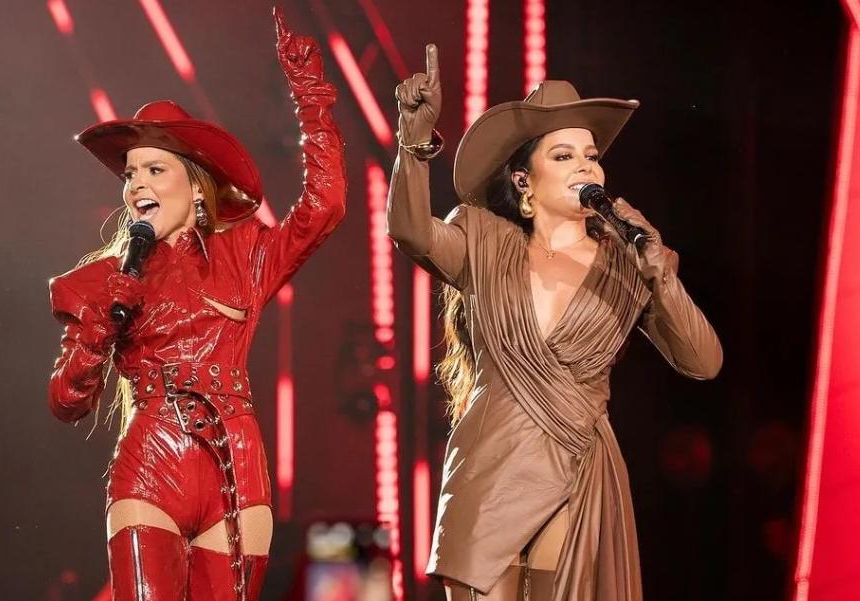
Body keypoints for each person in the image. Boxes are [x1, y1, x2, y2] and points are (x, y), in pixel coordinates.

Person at [387, 44, 722, 600]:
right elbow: (410, 232)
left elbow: (703, 363)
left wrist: (661, 277)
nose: (586, 166)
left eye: (591, 155)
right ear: (524, 180)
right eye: (564, 155)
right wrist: (413, 143)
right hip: (490, 466)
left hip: (577, 467)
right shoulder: (482, 238)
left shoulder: (629, 265)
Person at [46, 9, 346, 599]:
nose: (137, 184)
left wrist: (311, 98)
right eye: (130, 174)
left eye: (154, 169)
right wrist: (100, 325)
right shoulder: (103, 279)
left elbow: (325, 205)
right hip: (150, 463)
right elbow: (65, 401)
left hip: (237, 466)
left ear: (196, 185)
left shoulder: (247, 256)